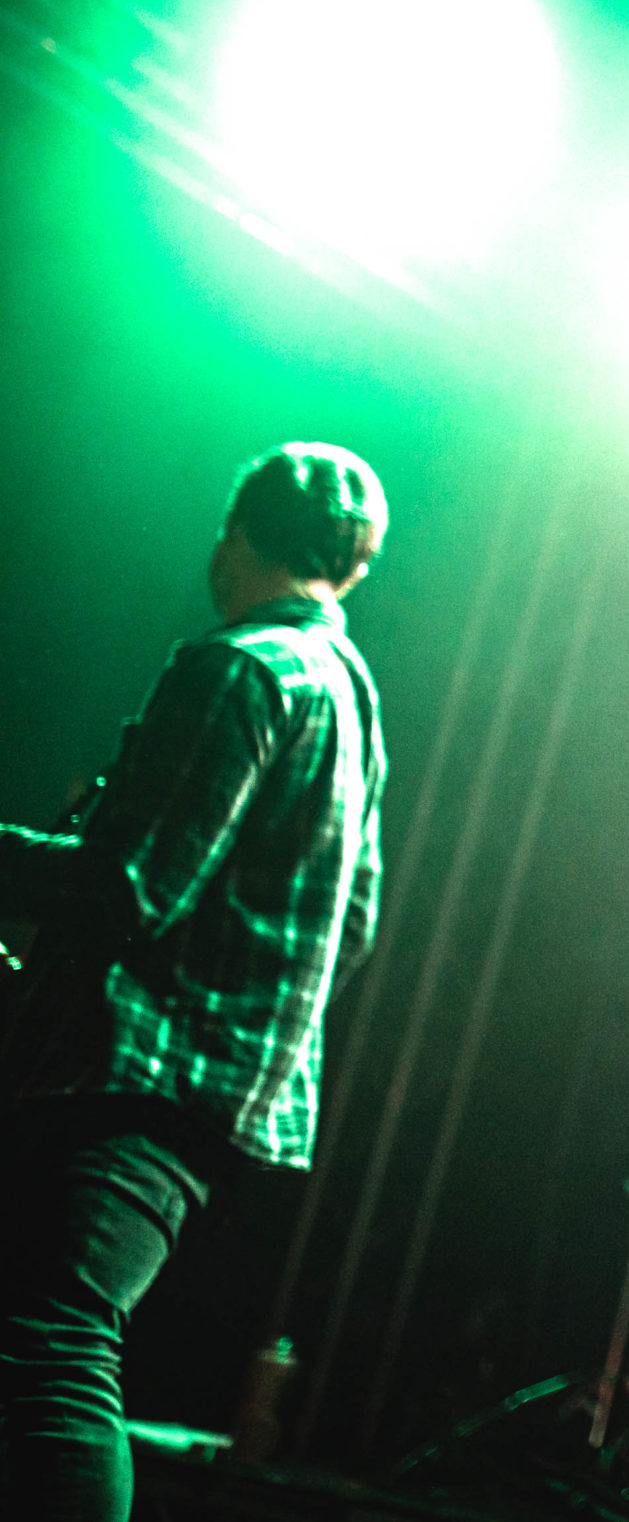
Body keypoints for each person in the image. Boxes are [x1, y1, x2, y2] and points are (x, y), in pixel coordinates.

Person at [0, 443, 388, 1522]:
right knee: (49, 1333)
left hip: (130, 1071)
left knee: (50, 1342)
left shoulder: (241, 668)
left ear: (236, 535)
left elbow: (128, 888)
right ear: (352, 566)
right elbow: (356, 924)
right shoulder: (349, 696)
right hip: (217, 1094)